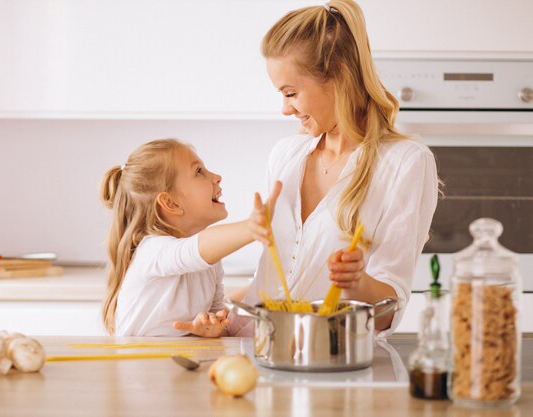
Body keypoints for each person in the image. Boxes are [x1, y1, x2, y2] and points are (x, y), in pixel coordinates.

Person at [228, 0, 439, 336]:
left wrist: (357, 283)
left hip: (335, 365)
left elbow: (388, 310)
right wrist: (223, 319)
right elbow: (270, 282)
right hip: (260, 356)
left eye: (291, 92)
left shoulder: (405, 162)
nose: (285, 109)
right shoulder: (285, 154)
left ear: (340, 75)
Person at [100, 138, 281, 337]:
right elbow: (193, 250)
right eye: (199, 172)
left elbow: (216, 316)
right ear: (171, 203)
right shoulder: (151, 251)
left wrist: (211, 327)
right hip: (136, 365)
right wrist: (250, 228)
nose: (217, 177)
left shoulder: (210, 262)